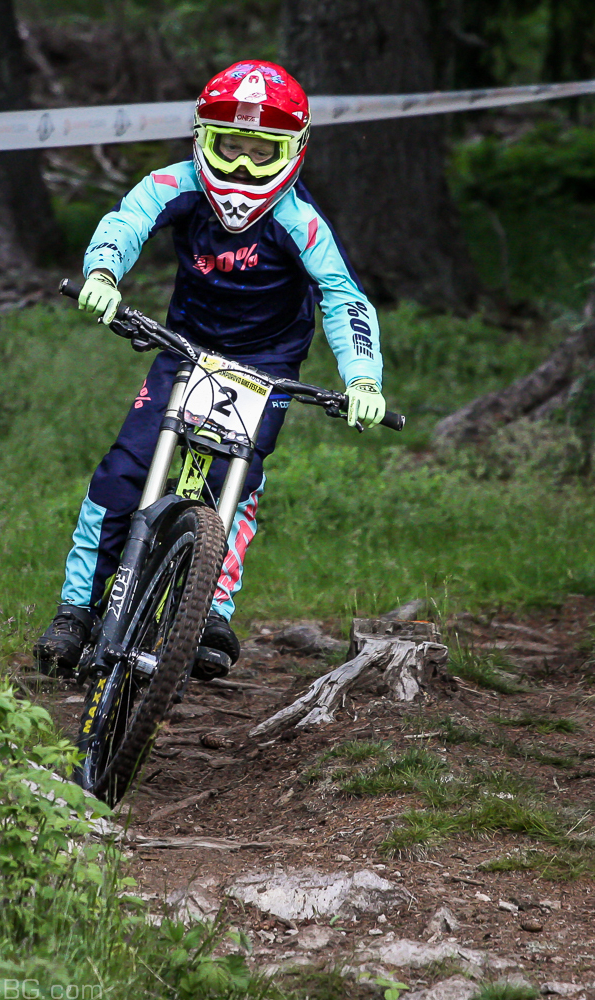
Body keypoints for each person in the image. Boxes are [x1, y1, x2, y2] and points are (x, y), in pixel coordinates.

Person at [33, 60, 387, 681]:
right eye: (230, 147)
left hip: (265, 364)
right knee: (123, 473)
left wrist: (362, 378)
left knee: (236, 480)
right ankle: (76, 611)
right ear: (203, 138)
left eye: (261, 152)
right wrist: (103, 271)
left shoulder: (300, 220)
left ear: (293, 151)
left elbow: (342, 295)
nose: (243, 167)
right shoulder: (176, 183)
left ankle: (210, 610)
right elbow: (127, 219)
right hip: (184, 347)